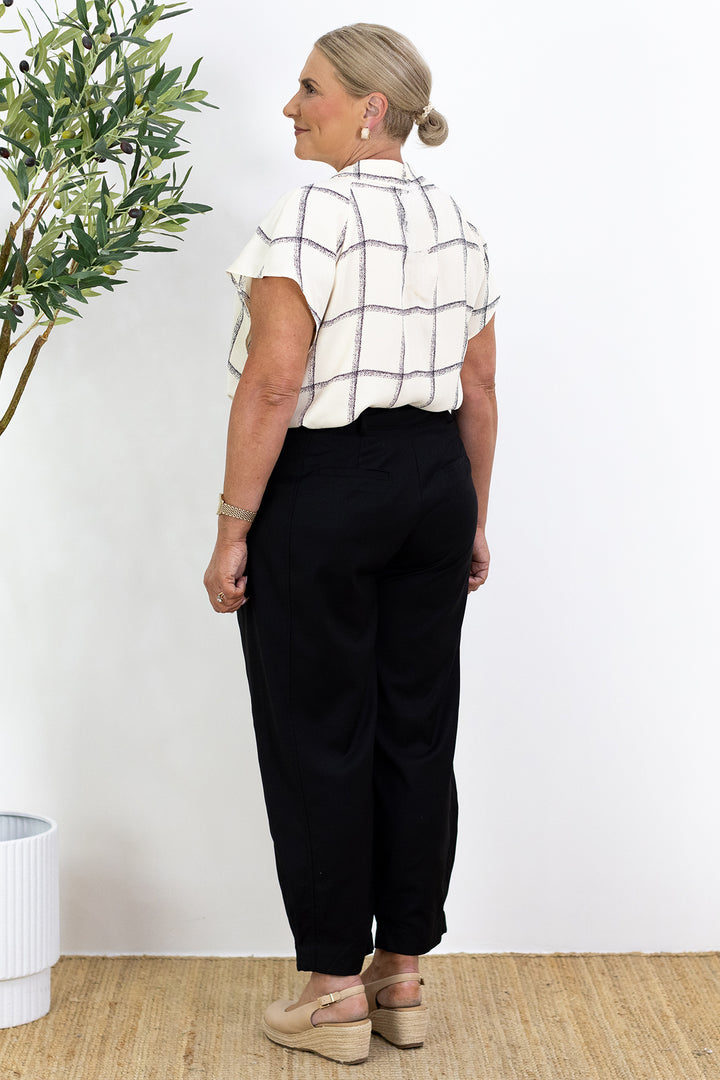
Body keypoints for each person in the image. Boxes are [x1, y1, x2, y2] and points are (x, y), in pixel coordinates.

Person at [203, 22, 500, 1065]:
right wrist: (474, 516)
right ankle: (399, 975)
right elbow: (478, 389)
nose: (291, 106)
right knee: (416, 730)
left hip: (328, 487)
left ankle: (332, 989)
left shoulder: (309, 215)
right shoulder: (459, 220)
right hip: (434, 483)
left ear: (372, 108)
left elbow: (273, 384)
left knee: (318, 730)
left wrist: (233, 529)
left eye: (310, 87)